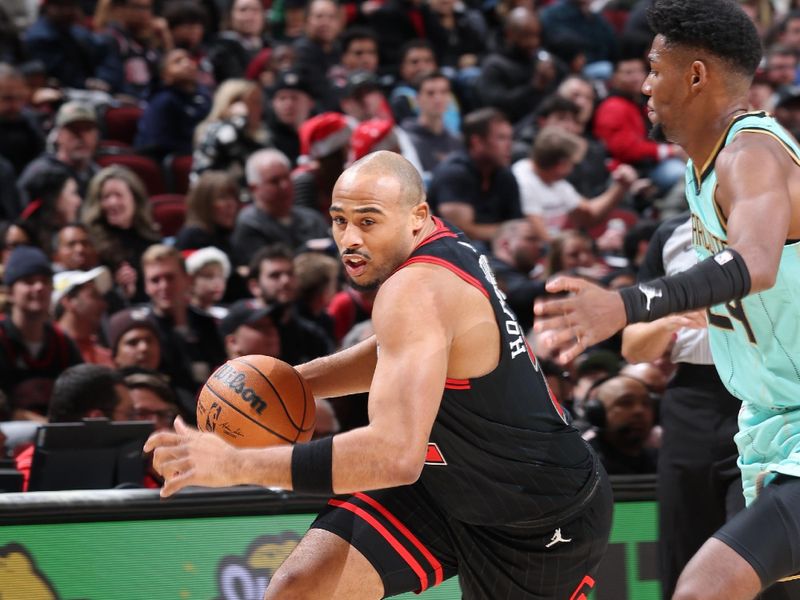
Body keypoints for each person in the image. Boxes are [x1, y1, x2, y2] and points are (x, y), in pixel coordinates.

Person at [145, 151, 612, 599]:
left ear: (416, 215)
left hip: (536, 517)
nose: (349, 238)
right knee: (299, 591)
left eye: (368, 221)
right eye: (339, 219)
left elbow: (393, 455)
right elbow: (397, 349)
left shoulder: (415, 288)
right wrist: (288, 385)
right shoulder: (438, 244)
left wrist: (235, 466)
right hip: (442, 489)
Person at [533, 1, 800, 598]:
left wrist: (625, 305)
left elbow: (754, 265)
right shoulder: (702, 167)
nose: (646, 84)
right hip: (771, 418)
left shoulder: (749, 155)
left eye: (655, 68)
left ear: (696, 75)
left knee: (706, 585)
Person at [0, 246, 83, 419]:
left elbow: (82, 396)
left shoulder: (63, 343)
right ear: (9, 292)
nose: (39, 287)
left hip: (57, 441)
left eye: (45, 281)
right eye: (29, 281)